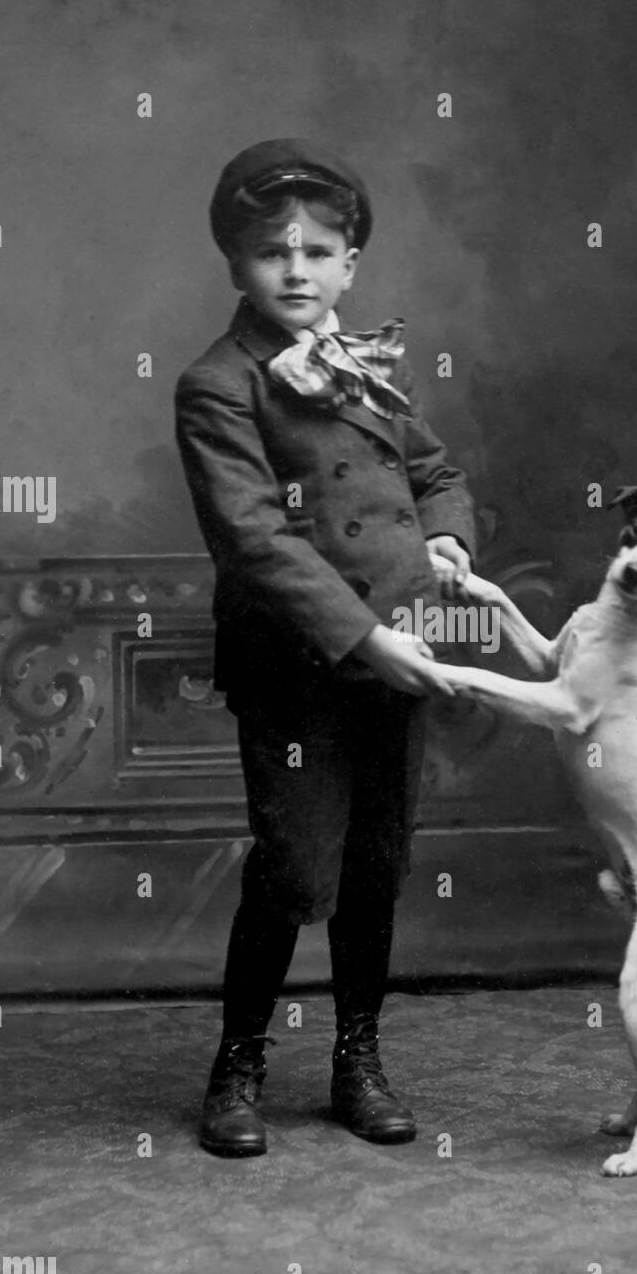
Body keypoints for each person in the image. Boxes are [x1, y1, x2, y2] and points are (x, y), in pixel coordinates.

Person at [174, 139, 477, 1156]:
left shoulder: (361, 368)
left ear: (350, 264)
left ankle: (357, 1056)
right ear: (235, 266)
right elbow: (253, 539)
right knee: (298, 866)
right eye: (271, 252)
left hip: (400, 652)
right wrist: (361, 639)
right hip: (296, 664)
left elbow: (434, 471)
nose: (295, 271)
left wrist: (445, 534)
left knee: (377, 864)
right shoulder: (218, 385)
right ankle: (239, 1062)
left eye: (317, 251)